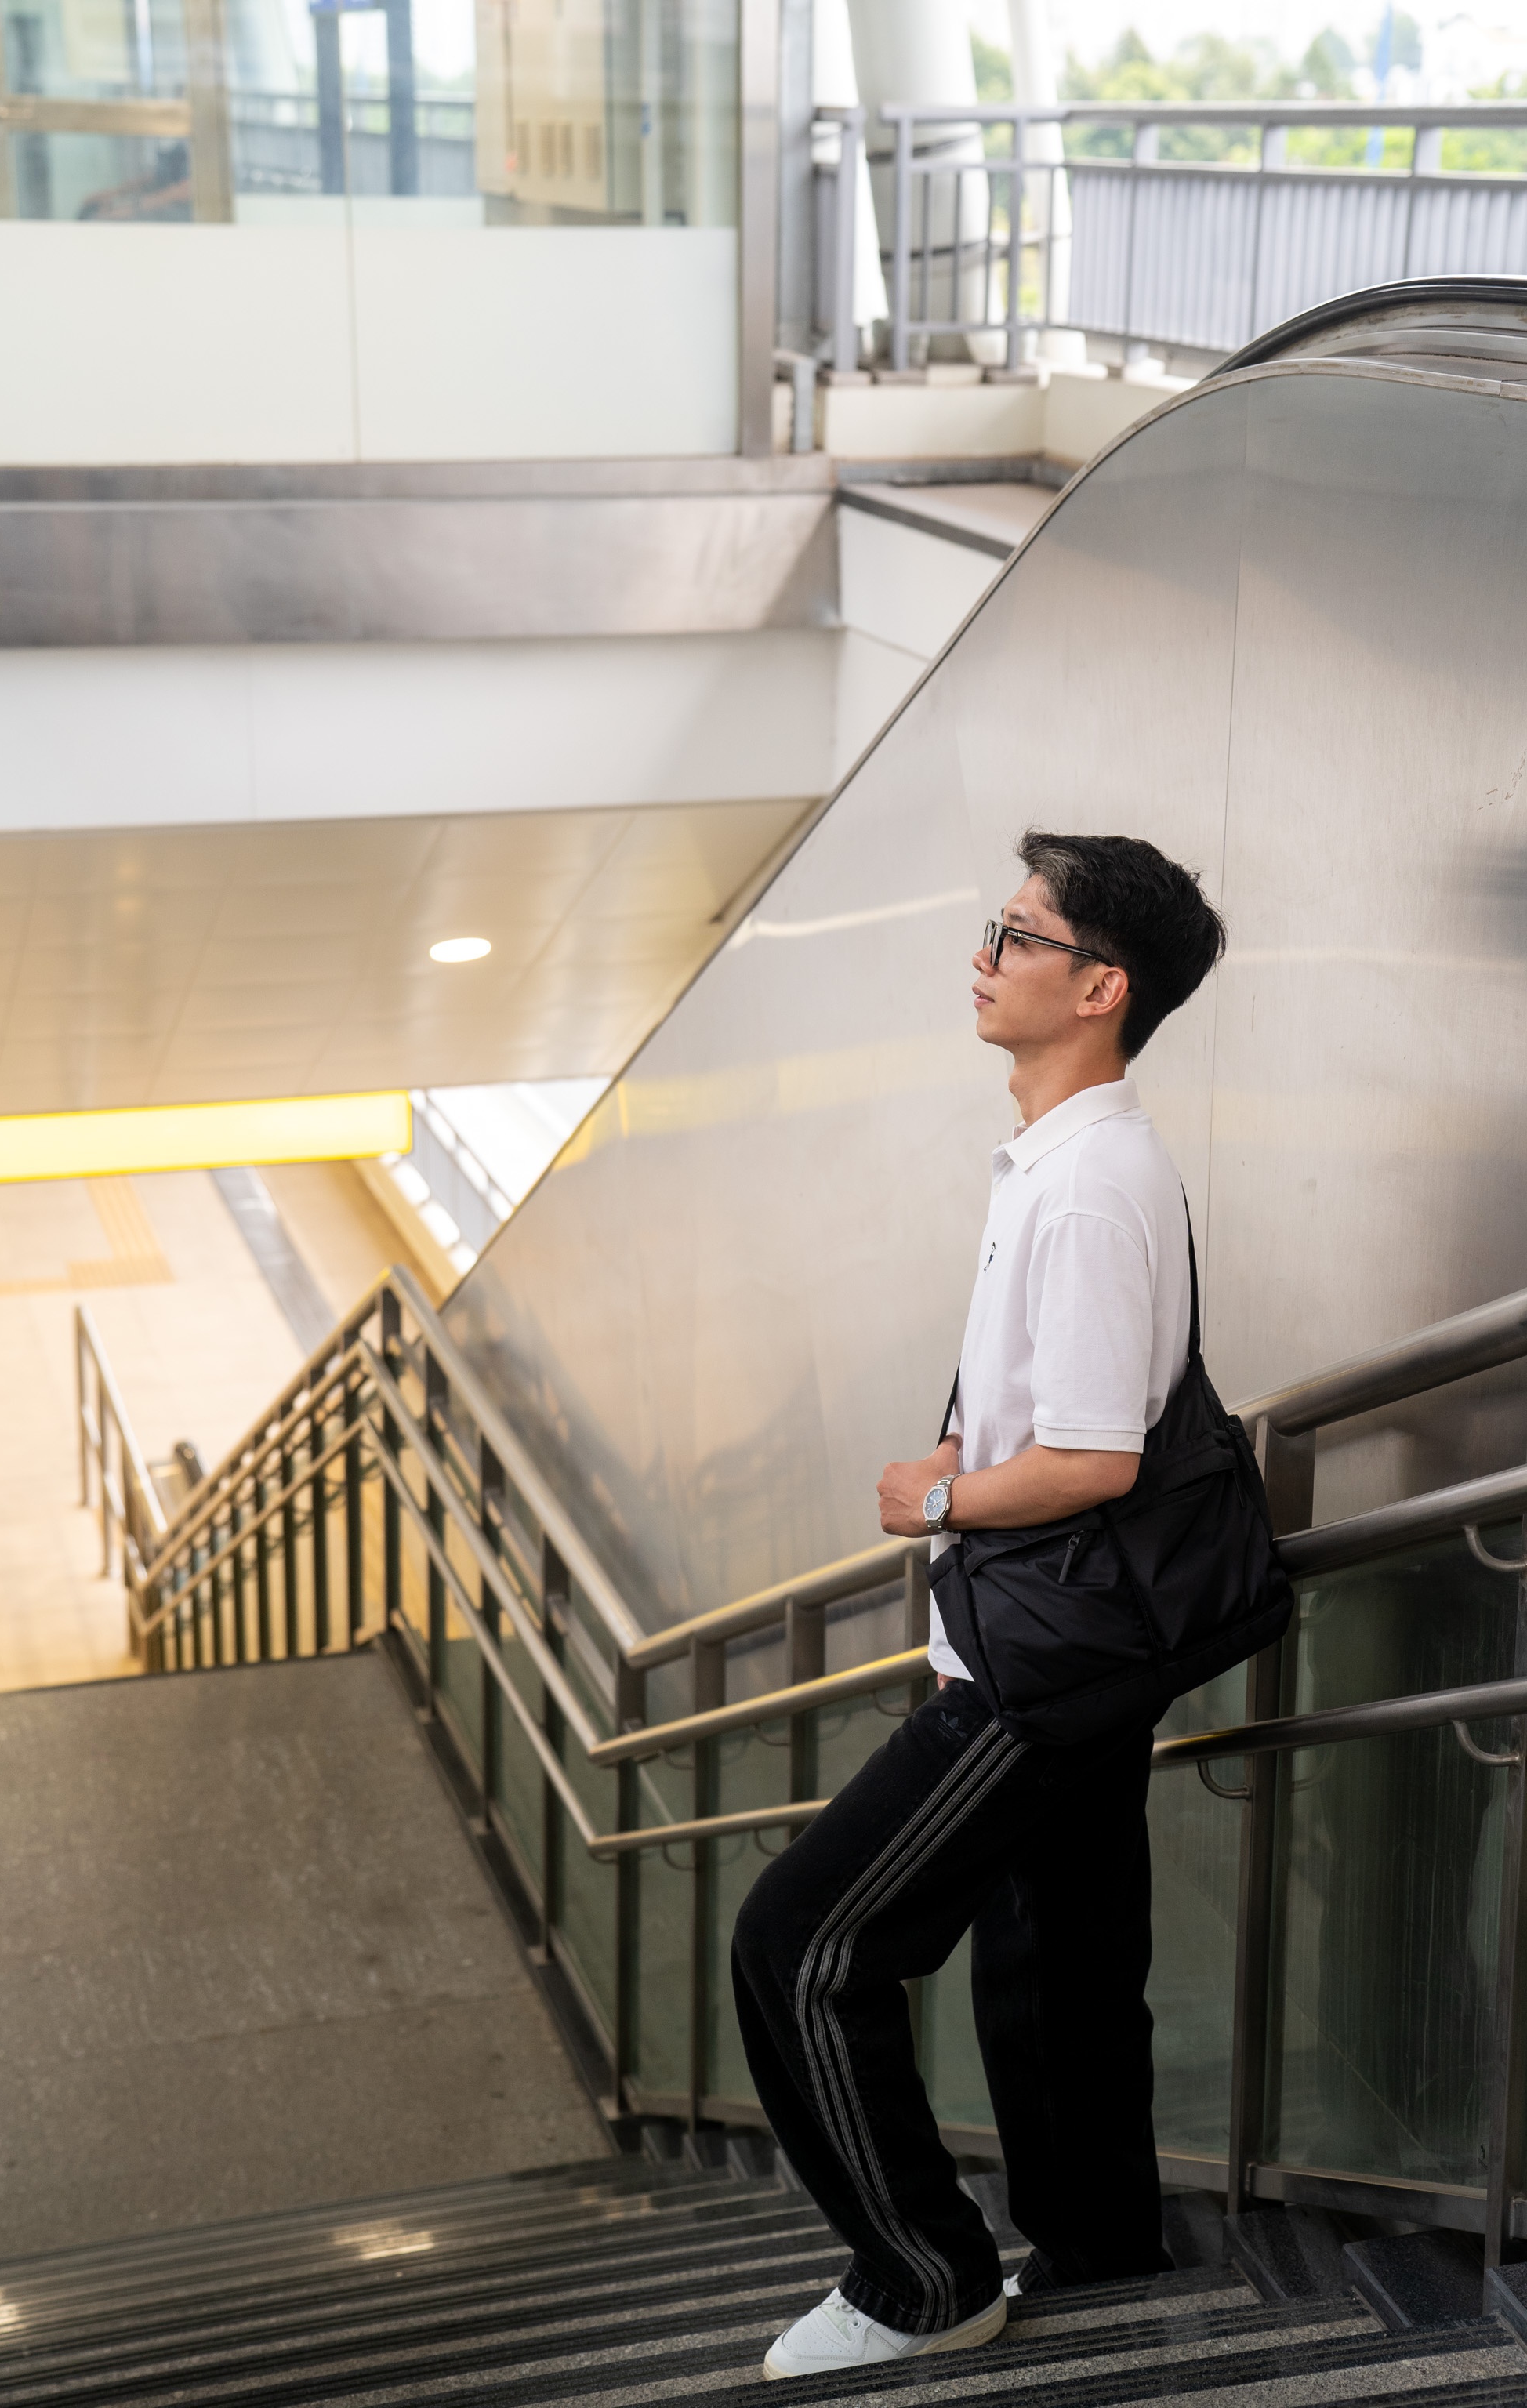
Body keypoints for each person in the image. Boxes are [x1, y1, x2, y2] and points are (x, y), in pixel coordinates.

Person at [733, 830, 1228, 2381]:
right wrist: (976, 1458)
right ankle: (1103, 2252)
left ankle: (923, 2279)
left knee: (799, 1945)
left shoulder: (1085, 1188)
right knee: (1061, 1971)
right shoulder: (1069, 1161)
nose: (983, 955)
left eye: (1016, 934)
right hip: (1076, 1650)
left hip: (1030, 1670)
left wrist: (933, 1501)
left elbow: (1094, 1459)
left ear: (1100, 986)